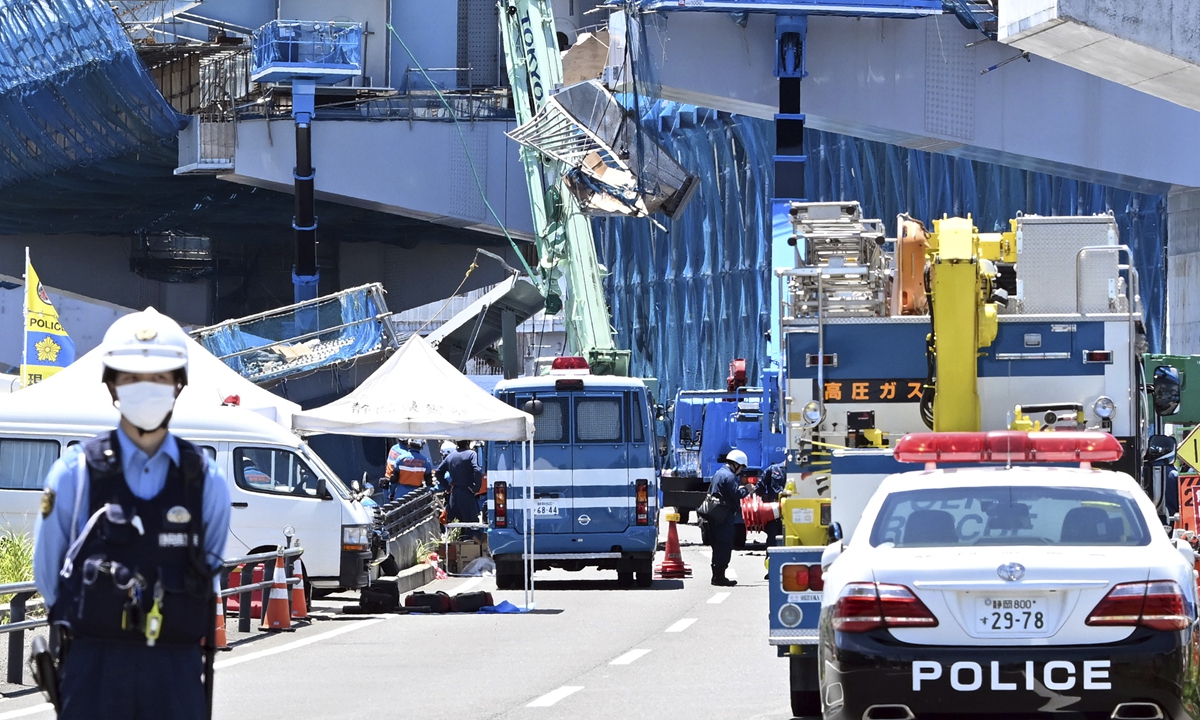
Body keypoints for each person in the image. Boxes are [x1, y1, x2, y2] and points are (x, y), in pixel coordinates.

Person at [33, 307, 231, 720]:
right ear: (112, 385)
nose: (146, 388)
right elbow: (50, 576)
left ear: (179, 384)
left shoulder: (205, 480)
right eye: (131, 377)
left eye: (159, 378)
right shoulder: (75, 474)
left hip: (175, 672)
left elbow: (208, 570)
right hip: (93, 670)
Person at [709, 449, 753, 587]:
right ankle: (719, 577)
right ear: (736, 464)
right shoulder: (730, 476)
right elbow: (736, 494)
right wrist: (747, 489)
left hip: (714, 514)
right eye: (741, 467)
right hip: (724, 515)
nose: (741, 471)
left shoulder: (719, 473)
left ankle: (716, 575)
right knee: (724, 544)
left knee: (717, 545)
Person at [435, 440, 484, 525]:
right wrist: (476, 488)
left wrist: (447, 487)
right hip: (467, 493)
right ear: (467, 443)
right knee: (472, 525)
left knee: (455, 524)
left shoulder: (450, 456)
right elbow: (478, 470)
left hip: (454, 496)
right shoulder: (471, 454)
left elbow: (438, 472)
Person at [759, 461, 787, 549]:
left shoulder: (800, 471)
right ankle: (770, 559)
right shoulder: (773, 469)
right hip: (774, 510)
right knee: (772, 537)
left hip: (792, 510)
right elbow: (760, 487)